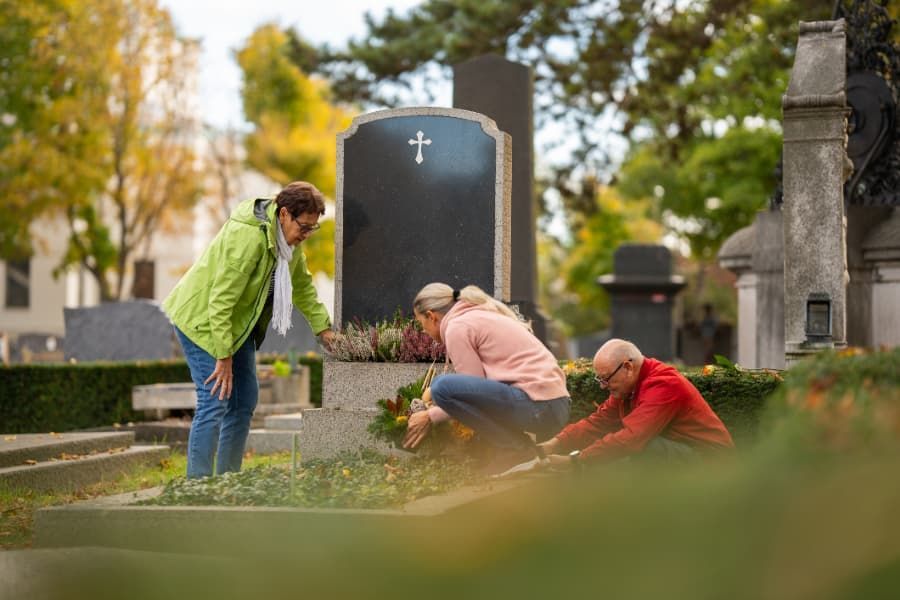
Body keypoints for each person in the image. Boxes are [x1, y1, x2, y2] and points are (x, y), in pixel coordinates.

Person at [162, 181, 336, 478]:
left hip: (236, 325)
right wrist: (223, 355)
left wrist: (324, 330)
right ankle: (198, 487)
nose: (306, 235)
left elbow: (303, 288)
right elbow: (221, 300)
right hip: (203, 320)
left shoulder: (287, 246)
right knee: (214, 399)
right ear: (284, 215)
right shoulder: (249, 237)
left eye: (312, 229)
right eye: (304, 227)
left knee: (244, 401)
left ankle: (228, 478)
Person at [403, 283, 570, 474]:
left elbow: (471, 390)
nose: (423, 331)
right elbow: (477, 387)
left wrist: (430, 416)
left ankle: (515, 450)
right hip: (553, 406)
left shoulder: (457, 327)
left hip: (539, 407)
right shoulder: (478, 313)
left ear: (431, 316)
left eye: (421, 324)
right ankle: (520, 451)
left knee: (441, 386)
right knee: (442, 387)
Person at [538, 338, 733, 468]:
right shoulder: (628, 387)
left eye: (605, 379)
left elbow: (631, 439)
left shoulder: (663, 385)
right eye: (600, 380)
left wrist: (575, 462)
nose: (603, 387)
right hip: (682, 454)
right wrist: (553, 445)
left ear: (628, 367)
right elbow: (599, 422)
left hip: (711, 464)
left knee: (644, 448)